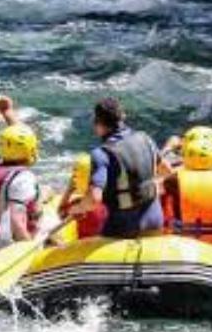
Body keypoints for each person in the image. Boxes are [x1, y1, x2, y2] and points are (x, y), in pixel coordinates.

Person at [70, 97, 166, 238]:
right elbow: (166, 170)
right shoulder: (145, 138)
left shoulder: (101, 154)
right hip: (155, 222)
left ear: (99, 124)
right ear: (122, 117)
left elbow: (94, 199)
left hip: (122, 229)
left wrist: (78, 209)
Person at [58, 153, 108, 239]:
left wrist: (69, 190)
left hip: (84, 247)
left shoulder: (79, 206)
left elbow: (61, 212)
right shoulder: (107, 198)